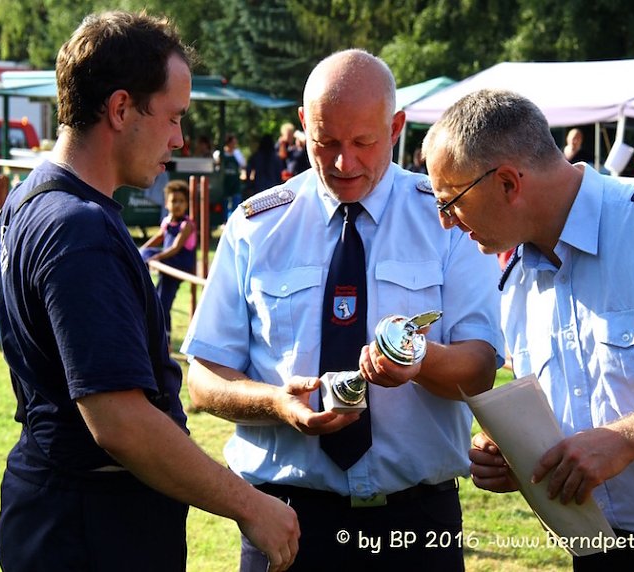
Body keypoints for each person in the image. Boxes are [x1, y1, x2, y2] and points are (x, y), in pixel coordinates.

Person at [0, 11, 299, 572]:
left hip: (60, 510)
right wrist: (249, 504)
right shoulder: (77, 229)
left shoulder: (29, 199)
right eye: (173, 117)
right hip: (92, 528)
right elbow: (121, 423)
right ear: (120, 108)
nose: (178, 139)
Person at [182, 49, 504, 570]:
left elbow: (481, 367)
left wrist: (420, 361)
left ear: (396, 128)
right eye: (326, 142)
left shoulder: (447, 221)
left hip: (415, 523)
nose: (343, 163)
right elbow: (203, 378)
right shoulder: (257, 226)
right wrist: (277, 405)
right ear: (302, 124)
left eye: (363, 143)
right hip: (285, 522)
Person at [422, 88, 634, 570]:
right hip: (596, 547)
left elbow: (616, 434)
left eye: (450, 202)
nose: (446, 222)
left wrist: (628, 440)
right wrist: (522, 457)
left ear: (508, 183)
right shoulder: (517, 282)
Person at [139, 179, 196, 343]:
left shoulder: (186, 225)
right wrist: (141, 251)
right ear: (166, 204)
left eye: (181, 201)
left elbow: (176, 247)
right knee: (160, 301)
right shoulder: (167, 221)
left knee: (163, 304)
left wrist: (156, 258)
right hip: (167, 263)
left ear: (187, 204)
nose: (177, 205)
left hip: (179, 264)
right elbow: (158, 238)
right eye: (174, 201)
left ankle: (166, 340)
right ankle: (140, 278)